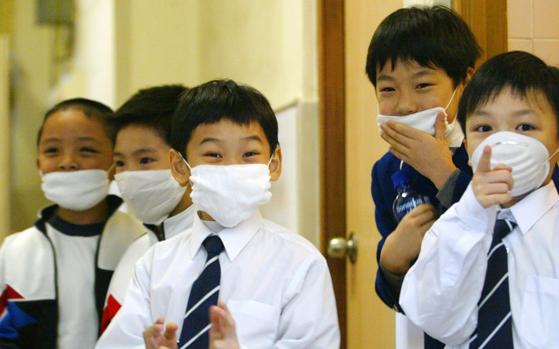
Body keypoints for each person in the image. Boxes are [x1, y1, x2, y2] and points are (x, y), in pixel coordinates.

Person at [366, 6, 559, 347]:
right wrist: (390, 264)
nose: (405, 105)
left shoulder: (512, 151)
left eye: (423, 84)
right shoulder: (386, 171)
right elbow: (405, 295)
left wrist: (444, 174)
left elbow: (528, 239)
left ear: (465, 80)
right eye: (388, 90)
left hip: (519, 327)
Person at [96, 80, 340, 349]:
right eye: (213, 154)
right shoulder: (154, 265)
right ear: (179, 167)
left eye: (249, 154)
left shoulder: (300, 264)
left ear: (274, 163)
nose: (231, 167)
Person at [399, 51, 559, 348]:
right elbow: (432, 317)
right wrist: (471, 216)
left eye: (525, 127)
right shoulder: (453, 224)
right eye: (484, 128)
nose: (502, 142)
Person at [0, 98, 143, 349]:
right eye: (52, 150)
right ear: (38, 165)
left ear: (115, 164)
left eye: (86, 150)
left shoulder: (140, 243)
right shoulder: (15, 252)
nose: (68, 162)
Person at [100, 85, 197, 332]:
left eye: (145, 160)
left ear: (185, 161)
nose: (130, 175)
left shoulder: (216, 253)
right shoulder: (135, 251)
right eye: (120, 163)